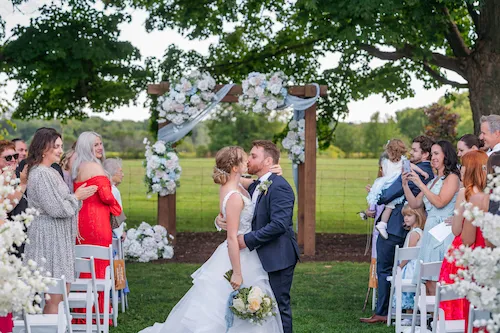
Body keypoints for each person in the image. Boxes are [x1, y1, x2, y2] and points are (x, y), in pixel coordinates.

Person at [138, 145, 285, 333]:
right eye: (244, 159)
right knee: (222, 307)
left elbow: (261, 182)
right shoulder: (234, 195)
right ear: (234, 168)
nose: (247, 161)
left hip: (248, 250)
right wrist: (237, 273)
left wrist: (276, 173)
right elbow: (232, 238)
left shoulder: (236, 184)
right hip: (238, 254)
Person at [360, 135, 434, 324]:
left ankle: (383, 311)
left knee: (384, 268)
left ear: (425, 154)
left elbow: (392, 192)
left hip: (396, 227)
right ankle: (392, 308)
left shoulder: (417, 170)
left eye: (416, 150)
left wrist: (376, 194)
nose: (411, 153)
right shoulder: (424, 169)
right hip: (405, 225)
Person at [23, 128, 97, 314]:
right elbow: (57, 208)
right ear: (43, 149)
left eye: (61, 146)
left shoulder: (51, 172)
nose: (60, 150)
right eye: (55, 146)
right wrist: (77, 196)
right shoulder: (40, 173)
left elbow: (65, 205)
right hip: (49, 241)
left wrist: (76, 198)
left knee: (61, 295)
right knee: (54, 297)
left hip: (58, 239)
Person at [73, 131, 121, 321]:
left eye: (100, 144)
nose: (100, 148)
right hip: (97, 222)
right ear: (87, 148)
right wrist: (116, 208)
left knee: (85, 265)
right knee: (100, 266)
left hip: (82, 220)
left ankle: (81, 315)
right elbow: (107, 196)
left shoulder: (79, 167)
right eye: (95, 145)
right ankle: (98, 316)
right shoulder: (95, 167)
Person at [403, 140, 460, 296]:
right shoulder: (433, 180)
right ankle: (431, 318)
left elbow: (440, 202)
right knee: (428, 279)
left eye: (437, 154)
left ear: (446, 155)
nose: (433, 157)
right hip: (430, 231)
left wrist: (420, 184)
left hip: (443, 232)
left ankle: (439, 316)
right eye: (432, 154)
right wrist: (406, 185)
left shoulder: (452, 178)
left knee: (438, 277)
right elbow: (415, 204)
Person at [438, 150, 488, 324]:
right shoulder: (488, 195)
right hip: (483, 250)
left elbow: (456, 229)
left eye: (463, 166)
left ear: (469, 169)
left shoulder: (464, 193)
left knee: (457, 300)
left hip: (463, 251)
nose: (460, 169)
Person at [369, 139, 429, 239]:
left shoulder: (385, 162)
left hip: (385, 184)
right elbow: (412, 166)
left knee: (388, 206)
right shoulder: (403, 162)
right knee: (390, 206)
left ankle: (382, 223)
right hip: (393, 185)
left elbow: (383, 174)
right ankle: (382, 224)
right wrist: (423, 173)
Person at [391, 204, 425, 316]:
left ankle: (409, 314)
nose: (406, 218)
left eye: (409, 215)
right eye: (405, 215)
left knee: (408, 290)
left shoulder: (415, 233)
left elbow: (409, 254)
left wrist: (400, 266)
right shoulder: (415, 232)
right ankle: (408, 313)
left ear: (417, 216)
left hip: (411, 266)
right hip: (412, 265)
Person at [103, 158, 126, 240]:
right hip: (113, 234)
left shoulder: (104, 188)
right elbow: (115, 213)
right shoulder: (113, 191)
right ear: (112, 173)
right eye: (120, 171)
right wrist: (120, 232)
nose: (122, 175)